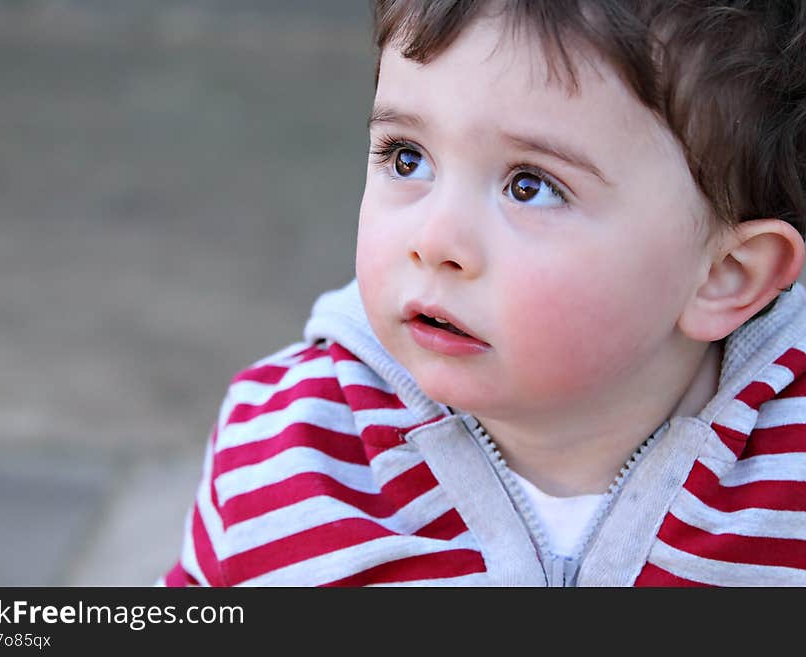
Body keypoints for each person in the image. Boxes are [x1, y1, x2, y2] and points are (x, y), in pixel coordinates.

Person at [162, 0, 806, 586]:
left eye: (531, 185)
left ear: (725, 275)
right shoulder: (285, 458)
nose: (435, 240)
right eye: (405, 157)